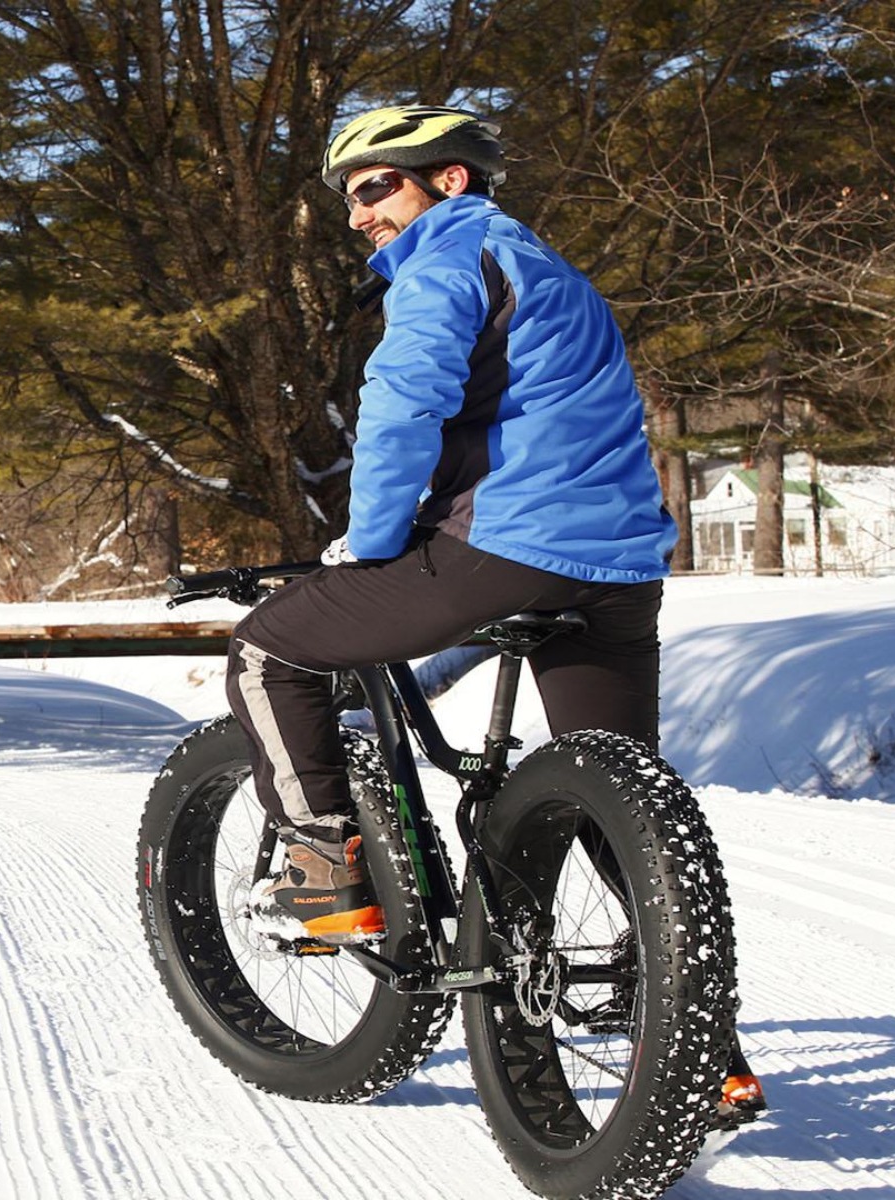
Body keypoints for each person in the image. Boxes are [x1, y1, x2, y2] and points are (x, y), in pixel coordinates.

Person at [225, 103, 764, 1126]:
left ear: (448, 182)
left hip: (504, 550)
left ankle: (321, 870)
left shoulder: (446, 258)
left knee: (267, 648)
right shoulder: (552, 274)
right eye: (349, 196)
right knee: (622, 805)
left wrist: (374, 541)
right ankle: (711, 1052)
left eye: (375, 185)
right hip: (616, 570)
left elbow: (402, 402)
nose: (357, 213)